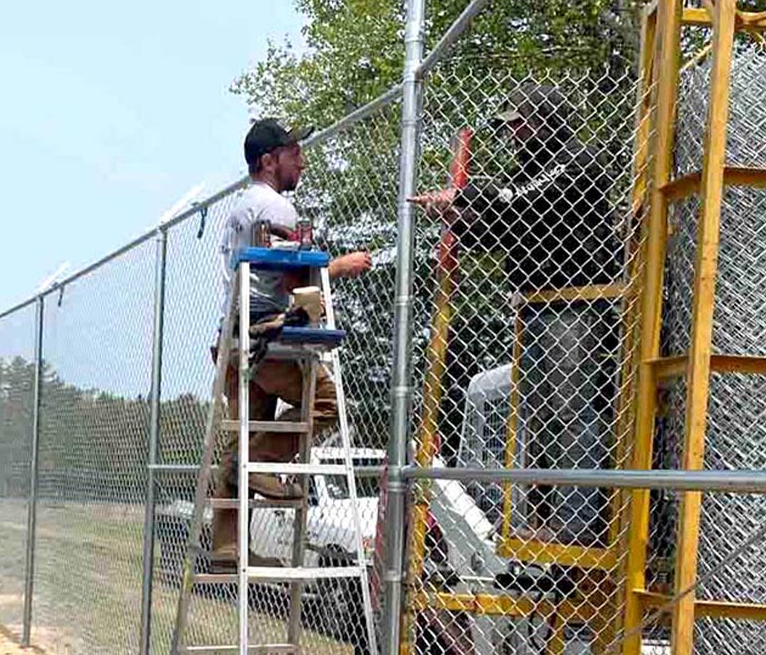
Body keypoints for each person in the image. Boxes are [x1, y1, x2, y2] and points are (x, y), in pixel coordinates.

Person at [410, 84, 620, 547]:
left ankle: (579, 524)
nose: (511, 132)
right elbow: (502, 226)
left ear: (545, 120)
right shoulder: (525, 170)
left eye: (519, 122)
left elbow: (519, 201)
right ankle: (549, 519)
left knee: (573, 410)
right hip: (535, 307)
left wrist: (462, 197)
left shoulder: (576, 159)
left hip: (575, 304)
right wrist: (456, 217)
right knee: (539, 416)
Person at [211, 118, 372, 571]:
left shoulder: (241, 207)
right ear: (269, 160)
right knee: (328, 403)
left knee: (242, 435)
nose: (301, 160)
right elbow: (297, 281)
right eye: (293, 153)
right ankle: (261, 464)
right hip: (267, 338)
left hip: (232, 333)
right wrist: (338, 266)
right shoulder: (276, 208)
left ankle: (227, 545)